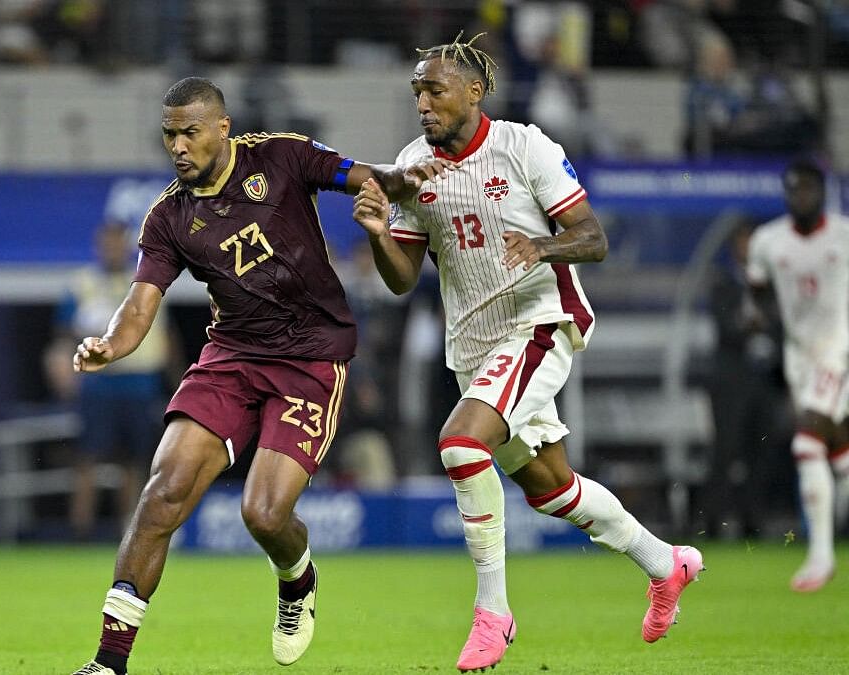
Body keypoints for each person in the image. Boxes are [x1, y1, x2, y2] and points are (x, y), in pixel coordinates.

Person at [70, 76, 450, 675]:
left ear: (222, 128)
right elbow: (141, 301)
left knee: (263, 514)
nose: (177, 147)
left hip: (311, 356)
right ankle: (107, 663)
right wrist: (110, 345)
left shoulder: (280, 156)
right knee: (162, 491)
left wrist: (405, 181)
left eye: (190, 133)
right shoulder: (169, 217)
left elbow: (365, 175)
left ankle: (297, 579)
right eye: (169, 135)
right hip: (233, 357)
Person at [351, 33, 703, 672]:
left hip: (541, 325)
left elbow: (592, 237)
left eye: (435, 89)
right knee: (552, 490)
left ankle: (494, 612)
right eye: (417, 92)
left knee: (460, 444)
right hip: (474, 348)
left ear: (474, 91)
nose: (423, 103)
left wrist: (541, 248)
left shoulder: (524, 146)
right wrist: (380, 235)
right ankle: (666, 562)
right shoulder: (411, 164)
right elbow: (401, 279)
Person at [745, 159, 849, 592]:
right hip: (799, 357)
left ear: (822, 191)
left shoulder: (844, 235)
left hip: (838, 349)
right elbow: (758, 290)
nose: (800, 197)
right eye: (794, 190)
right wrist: (772, 325)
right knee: (839, 451)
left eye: (808, 189)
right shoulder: (768, 241)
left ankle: (821, 556)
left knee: (807, 443)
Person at [55, 221, 178, 540]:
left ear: (127, 246)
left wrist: (177, 383)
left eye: (118, 243)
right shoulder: (82, 283)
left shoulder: (144, 283)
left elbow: (163, 335)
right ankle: (80, 533)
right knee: (87, 458)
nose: (112, 249)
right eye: (107, 243)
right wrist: (67, 368)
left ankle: (129, 531)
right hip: (99, 384)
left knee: (134, 462)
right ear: (99, 246)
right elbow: (64, 335)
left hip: (139, 383)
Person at [702, 218, 787, 540]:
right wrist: (751, 324)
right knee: (725, 451)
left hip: (765, 381)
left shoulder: (776, 284)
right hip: (730, 381)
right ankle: (712, 524)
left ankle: (754, 523)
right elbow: (726, 327)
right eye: (744, 241)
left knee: (762, 453)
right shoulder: (723, 283)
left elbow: (784, 327)